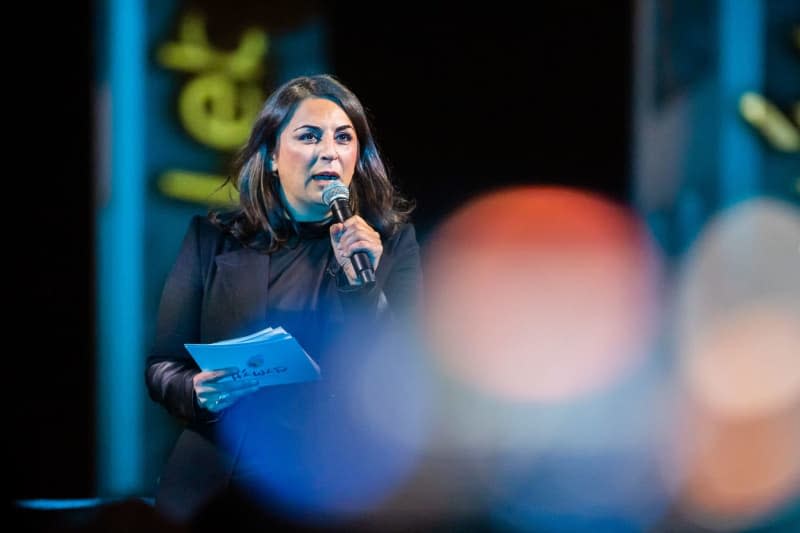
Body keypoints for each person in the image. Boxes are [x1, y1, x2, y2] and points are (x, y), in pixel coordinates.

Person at [145, 74, 422, 528]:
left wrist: (365, 287)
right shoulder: (214, 239)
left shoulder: (389, 245)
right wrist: (196, 391)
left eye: (344, 137)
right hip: (220, 476)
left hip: (334, 480)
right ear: (273, 156)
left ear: (357, 156)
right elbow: (162, 366)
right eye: (309, 136)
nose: (329, 151)